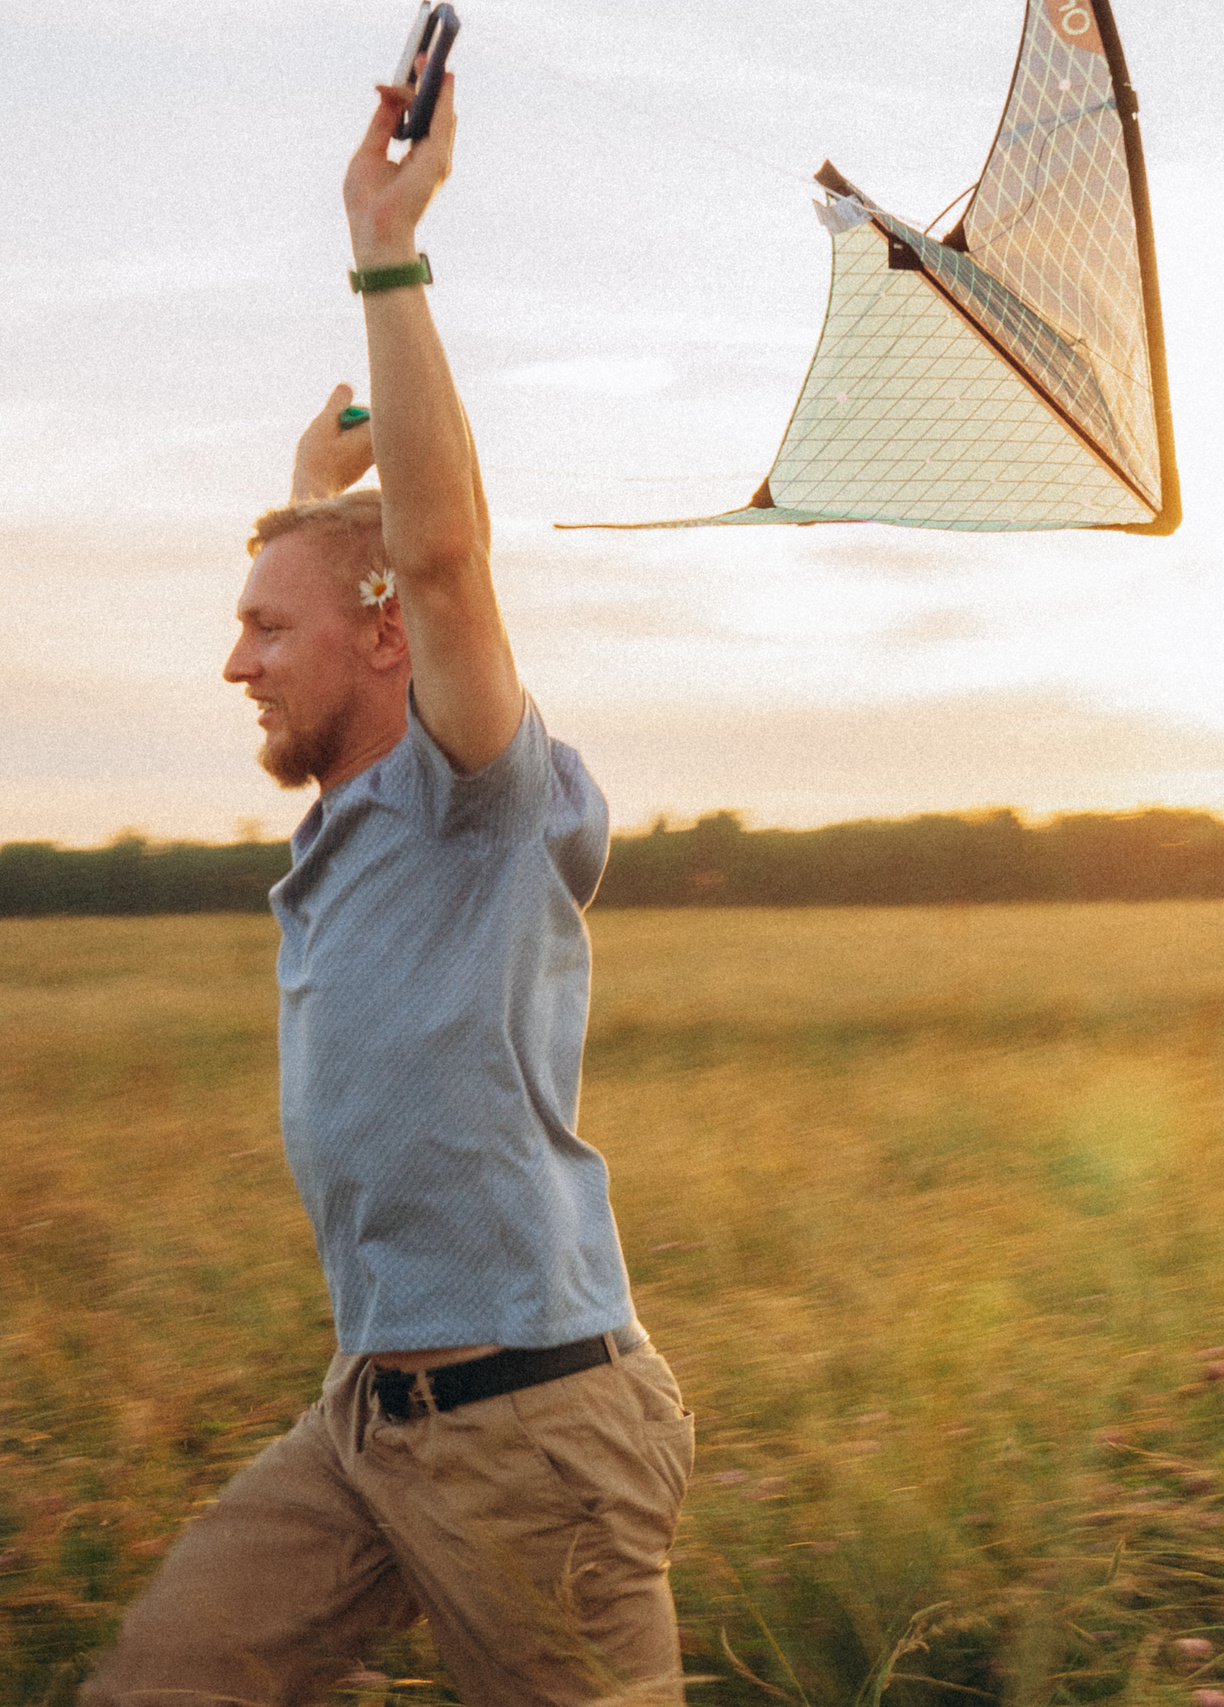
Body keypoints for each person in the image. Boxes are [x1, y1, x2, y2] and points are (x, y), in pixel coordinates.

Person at [83, 70, 690, 1707]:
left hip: (529, 1434)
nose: (235, 664)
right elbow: (368, 555)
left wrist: (387, 251)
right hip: (365, 1426)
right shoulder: (349, 828)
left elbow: (435, 558)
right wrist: (312, 490)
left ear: (383, 642)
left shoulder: (473, 794)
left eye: (263, 631)